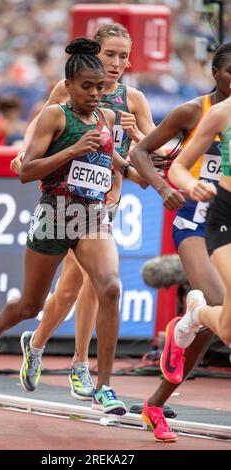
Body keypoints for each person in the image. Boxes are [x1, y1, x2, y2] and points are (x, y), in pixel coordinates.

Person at [10, 23, 183, 402]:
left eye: (124, 56)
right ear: (93, 54)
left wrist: (137, 134)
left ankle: (62, 357)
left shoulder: (133, 99)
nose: (117, 63)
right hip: (68, 200)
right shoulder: (68, 88)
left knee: (92, 286)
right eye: (110, 55)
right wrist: (25, 155)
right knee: (75, 286)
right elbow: (36, 126)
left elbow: (155, 154)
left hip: (108, 201)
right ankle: (55, 354)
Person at [0, 37, 144, 415]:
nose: (96, 94)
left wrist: (132, 171)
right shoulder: (55, 116)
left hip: (92, 216)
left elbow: (111, 154)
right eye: (87, 87)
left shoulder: (108, 117)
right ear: (69, 86)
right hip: (53, 215)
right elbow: (27, 171)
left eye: (100, 87)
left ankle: (105, 386)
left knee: (110, 287)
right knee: (31, 305)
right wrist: (70, 150)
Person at [130, 42, 231, 442]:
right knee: (219, 302)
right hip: (196, 221)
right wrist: (164, 188)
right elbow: (141, 152)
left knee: (215, 325)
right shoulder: (197, 111)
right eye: (229, 73)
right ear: (215, 74)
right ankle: (195, 310)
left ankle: (155, 405)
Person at [162, 94, 231, 385]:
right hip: (224, 216)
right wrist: (192, 184)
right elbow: (178, 167)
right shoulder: (221, 113)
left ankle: (196, 313)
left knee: (227, 331)